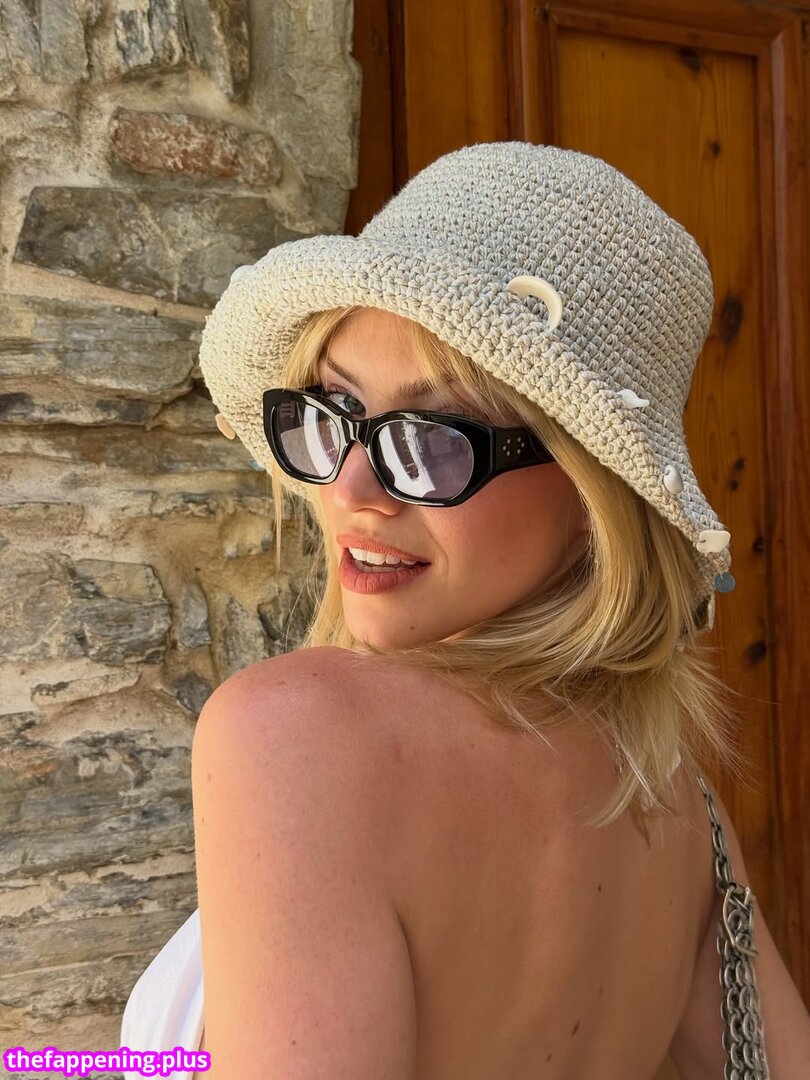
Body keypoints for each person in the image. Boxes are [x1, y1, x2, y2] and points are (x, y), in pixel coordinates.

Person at [120, 142, 810, 1078]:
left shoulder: (298, 737)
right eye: (334, 411)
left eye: (433, 440)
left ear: (594, 492)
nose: (351, 490)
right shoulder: (676, 799)